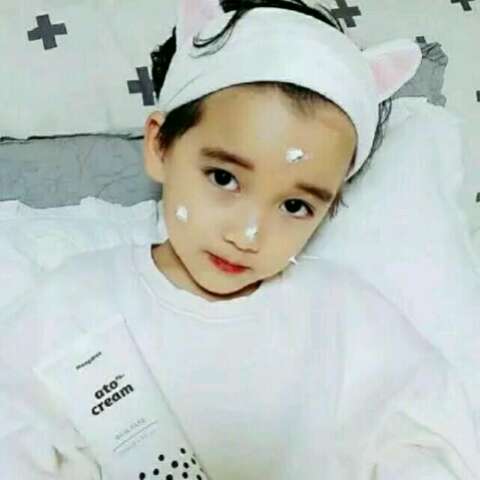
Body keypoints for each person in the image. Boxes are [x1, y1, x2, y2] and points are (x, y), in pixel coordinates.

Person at [1, 0, 479, 479]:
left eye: (295, 206)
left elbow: (435, 441)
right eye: (224, 178)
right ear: (160, 145)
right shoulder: (73, 303)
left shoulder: (347, 319)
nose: (248, 235)